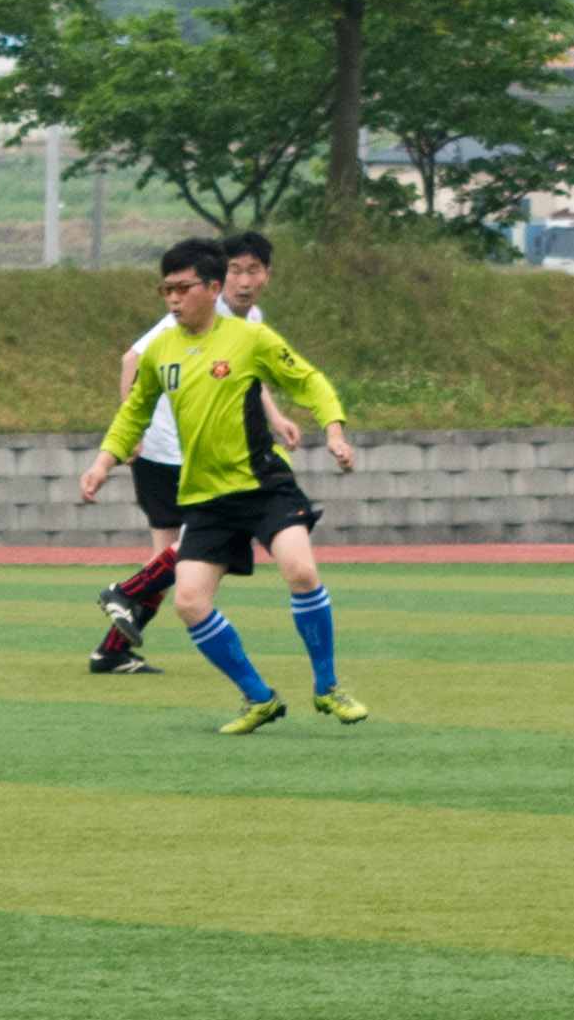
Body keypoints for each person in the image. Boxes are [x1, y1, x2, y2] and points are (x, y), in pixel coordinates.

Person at [77, 236, 363, 735]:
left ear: (212, 288)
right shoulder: (160, 350)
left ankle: (327, 687)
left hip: (263, 485)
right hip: (207, 497)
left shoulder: (250, 338)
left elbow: (309, 381)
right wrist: (104, 462)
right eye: (166, 288)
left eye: (182, 288)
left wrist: (334, 431)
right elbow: (134, 413)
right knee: (189, 602)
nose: (172, 298)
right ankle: (260, 698)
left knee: (300, 569)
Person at [89, 228, 289, 672]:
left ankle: (111, 650)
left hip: (192, 452)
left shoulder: (248, 318)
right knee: (196, 547)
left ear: (267, 275)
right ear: (218, 279)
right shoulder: (194, 312)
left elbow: (247, 372)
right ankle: (123, 594)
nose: (244, 281)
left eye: (253, 270)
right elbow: (132, 359)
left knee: (171, 559)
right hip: (168, 452)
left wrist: (275, 418)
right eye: (235, 270)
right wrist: (133, 430)